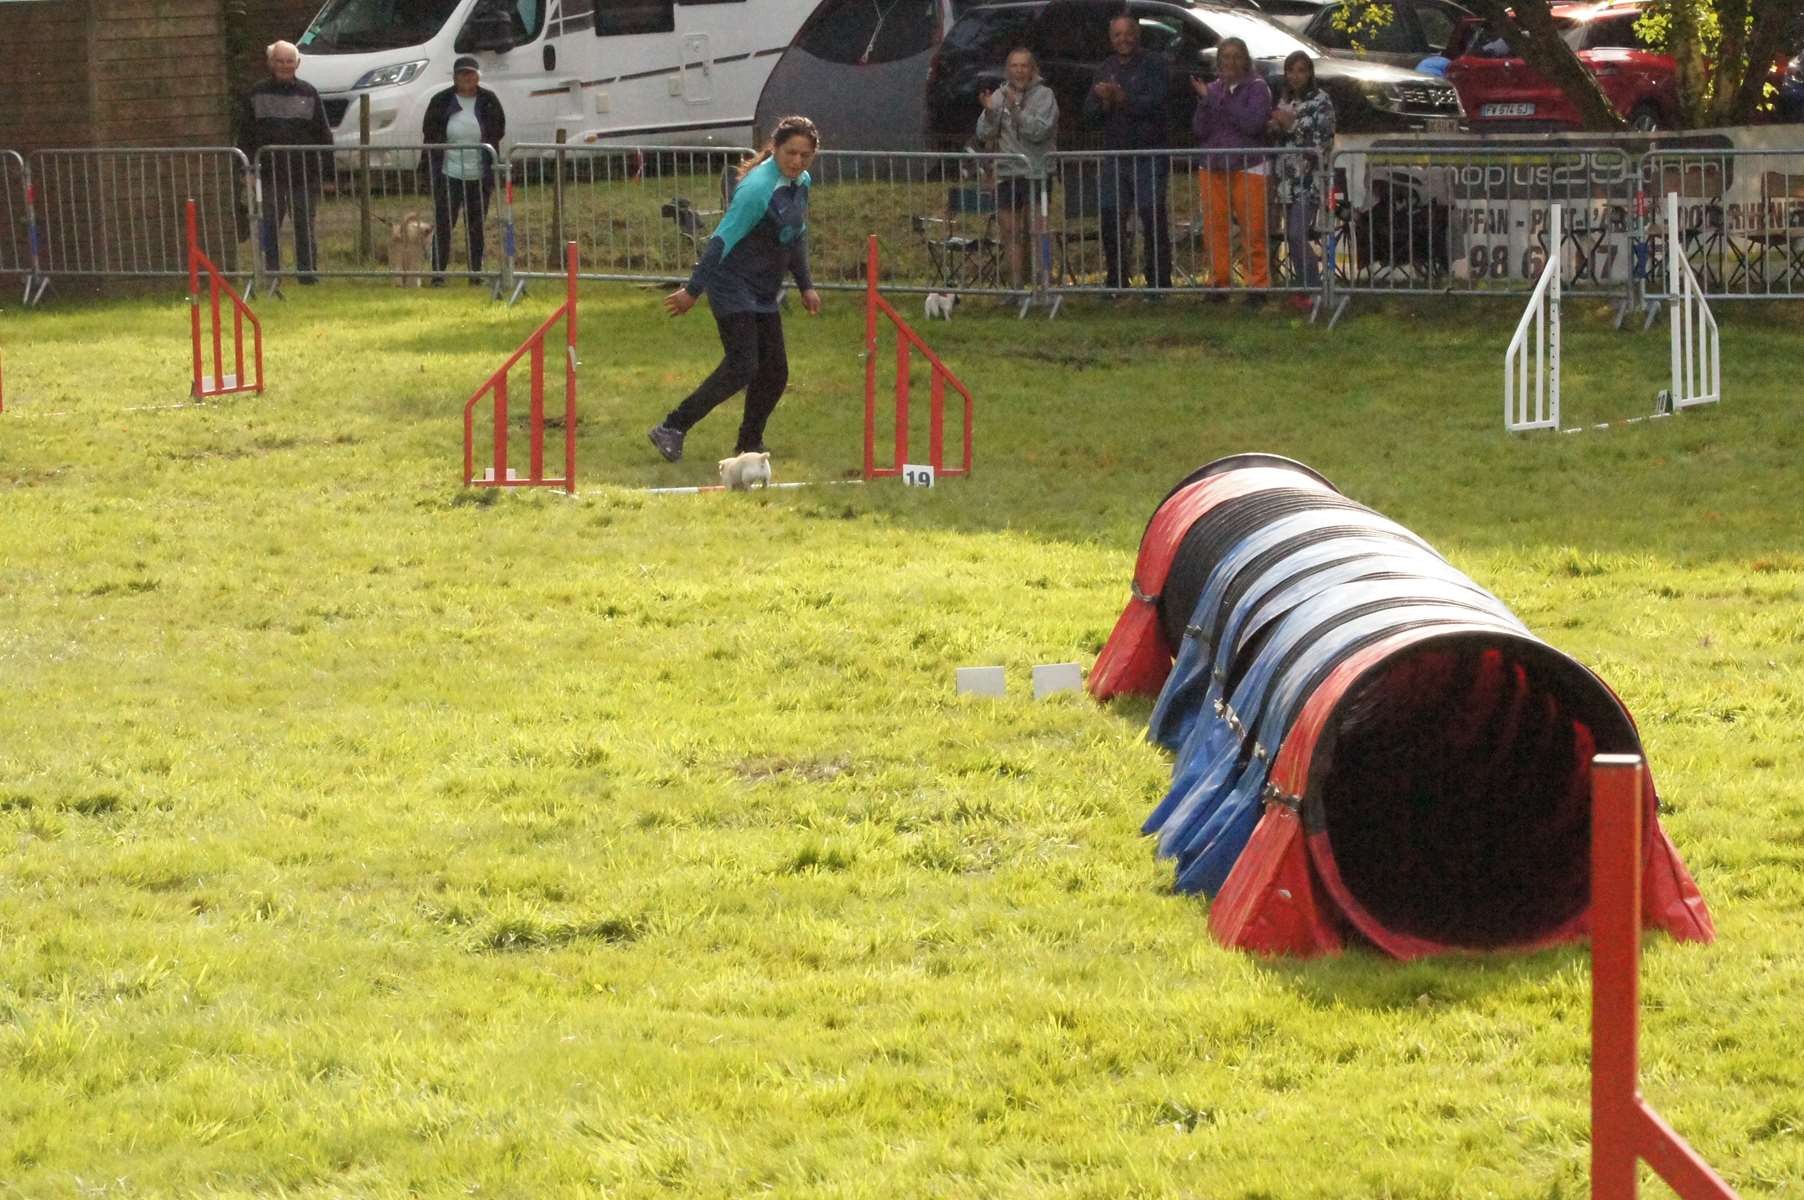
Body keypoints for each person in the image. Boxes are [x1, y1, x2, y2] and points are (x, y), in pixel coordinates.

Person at [647, 116, 823, 464]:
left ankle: (749, 444)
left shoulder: (801, 182)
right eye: (791, 153)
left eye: (805, 155)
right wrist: (692, 291)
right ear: (775, 148)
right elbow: (721, 240)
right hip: (731, 283)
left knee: (775, 371)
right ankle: (672, 427)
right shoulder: (758, 189)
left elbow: (795, 236)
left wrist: (806, 285)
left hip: (762, 289)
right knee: (743, 365)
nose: (797, 162)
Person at [1083, 15, 1173, 293]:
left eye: (1128, 33)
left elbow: (1158, 105)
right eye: (1117, 35)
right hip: (1115, 155)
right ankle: (1116, 281)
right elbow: (1088, 115)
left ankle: (1158, 283)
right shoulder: (1104, 68)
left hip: (1148, 153)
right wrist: (1104, 102)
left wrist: (1125, 100)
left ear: (1138, 35)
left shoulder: (1154, 64)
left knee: (1152, 217)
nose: (1123, 40)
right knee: (1111, 218)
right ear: (1110, 39)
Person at [236, 40, 333, 286]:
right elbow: (245, 135)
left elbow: (324, 134)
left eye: (289, 61)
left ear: (297, 63)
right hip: (267, 175)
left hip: (304, 175)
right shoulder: (256, 93)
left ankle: (307, 275)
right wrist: (245, 171)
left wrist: (330, 175)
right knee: (268, 227)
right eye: (279, 61)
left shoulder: (309, 93)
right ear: (270, 63)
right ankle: (271, 275)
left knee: (305, 228)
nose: (284, 66)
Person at [1191, 37, 1273, 301]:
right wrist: (1206, 102)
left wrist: (1216, 101)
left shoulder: (1258, 88)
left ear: (1246, 60)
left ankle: (1257, 286)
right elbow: (1199, 129)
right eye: (1225, 57)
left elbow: (1252, 123)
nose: (1231, 62)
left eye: (1237, 56)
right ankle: (1219, 283)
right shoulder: (1213, 89)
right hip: (1213, 165)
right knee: (1214, 228)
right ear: (1218, 62)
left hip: (1249, 166)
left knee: (1254, 230)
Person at [975, 47, 1058, 294]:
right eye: (1014, 66)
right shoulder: (999, 96)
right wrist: (990, 113)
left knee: (1038, 230)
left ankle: (1044, 285)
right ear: (1007, 70)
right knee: (1010, 233)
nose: (1019, 71)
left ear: (1032, 69)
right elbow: (982, 134)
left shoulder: (1045, 96)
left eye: (1024, 66)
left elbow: (1040, 131)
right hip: (1007, 173)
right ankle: (1016, 289)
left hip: (1036, 173)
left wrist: (1017, 111)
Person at [421, 56, 506, 287]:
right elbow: (430, 133)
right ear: (455, 76)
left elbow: (498, 129)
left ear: (478, 76)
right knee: (444, 223)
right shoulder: (441, 100)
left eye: (471, 74)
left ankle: (475, 273)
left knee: (476, 226)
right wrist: (428, 169)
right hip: (448, 173)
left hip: (479, 174)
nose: (467, 78)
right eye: (463, 74)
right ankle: (438, 274)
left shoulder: (489, 100)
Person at [1269, 50, 1336, 312]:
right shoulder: (1285, 100)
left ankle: (1312, 284)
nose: (1295, 76)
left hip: (1309, 179)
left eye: (1301, 70)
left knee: (1298, 232)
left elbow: (1324, 138)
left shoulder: (1321, 100)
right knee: (1291, 234)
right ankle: (1301, 289)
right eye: (1290, 71)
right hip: (1285, 178)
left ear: (1310, 73)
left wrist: (1292, 126)